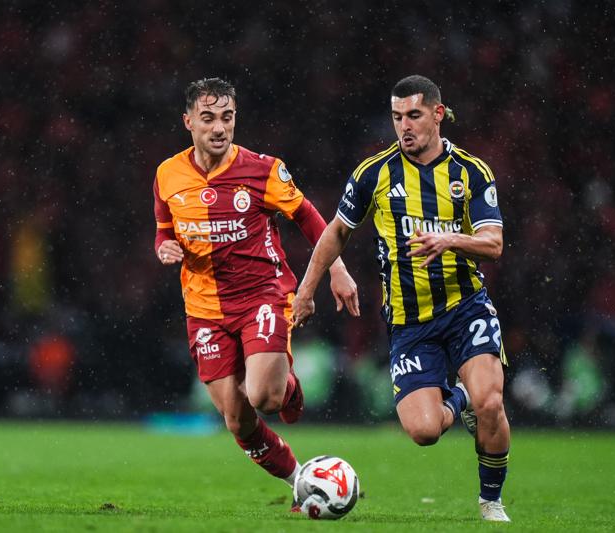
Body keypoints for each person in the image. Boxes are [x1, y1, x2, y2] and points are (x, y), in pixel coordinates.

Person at [293, 75, 512, 522]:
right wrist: (307, 289)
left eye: (413, 115)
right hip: (409, 322)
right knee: (424, 431)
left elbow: (493, 244)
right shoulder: (373, 173)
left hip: (465, 306)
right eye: (397, 117)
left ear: (437, 113)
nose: (404, 126)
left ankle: (491, 501)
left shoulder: (471, 172)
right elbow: (337, 231)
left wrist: (449, 240)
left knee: (491, 402)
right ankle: (460, 399)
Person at [153, 78, 359, 508]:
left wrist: (337, 270)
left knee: (264, 396)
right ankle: (299, 480)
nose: (219, 127)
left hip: (262, 295)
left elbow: (308, 216)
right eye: (208, 118)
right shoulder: (167, 174)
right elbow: (164, 230)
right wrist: (164, 247)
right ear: (188, 121)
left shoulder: (263, 170)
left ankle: (288, 387)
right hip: (204, 309)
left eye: (227, 117)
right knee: (238, 420)